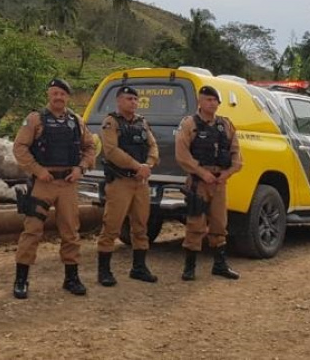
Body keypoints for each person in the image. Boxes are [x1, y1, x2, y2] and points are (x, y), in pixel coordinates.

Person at [12, 78, 95, 299]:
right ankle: (21, 279)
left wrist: (81, 168)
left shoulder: (77, 121)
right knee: (32, 230)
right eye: (55, 93)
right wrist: (37, 170)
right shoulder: (35, 119)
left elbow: (90, 147)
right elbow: (19, 147)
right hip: (43, 183)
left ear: (68, 97)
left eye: (62, 94)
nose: (58, 97)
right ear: (49, 95)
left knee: (71, 231)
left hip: (68, 183)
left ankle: (71, 278)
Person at [174, 85, 242, 281]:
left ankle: (220, 265)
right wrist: (202, 173)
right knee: (196, 223)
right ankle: (190, 267)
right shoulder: (189, 124)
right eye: (208, 100)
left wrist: (227, 173)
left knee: (220, 223)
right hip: (198, 182)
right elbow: (182, 154)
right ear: (200, 102)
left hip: (219, 181)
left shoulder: (225, 125)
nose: (213, 104)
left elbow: (236, 153)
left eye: (215, 101)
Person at [95, 85, 160, 286]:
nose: (132, 102)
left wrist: (148, 165)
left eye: (135, 99)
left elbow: (153, 146)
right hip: (120, 181)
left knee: (141, 226)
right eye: (128, 98)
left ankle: (139, 268)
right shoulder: (111, 122)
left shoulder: (142, 122)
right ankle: (104, 271)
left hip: (140, 183)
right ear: (119, 101)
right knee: (112, 226)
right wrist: (136, 166)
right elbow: (111, 150)